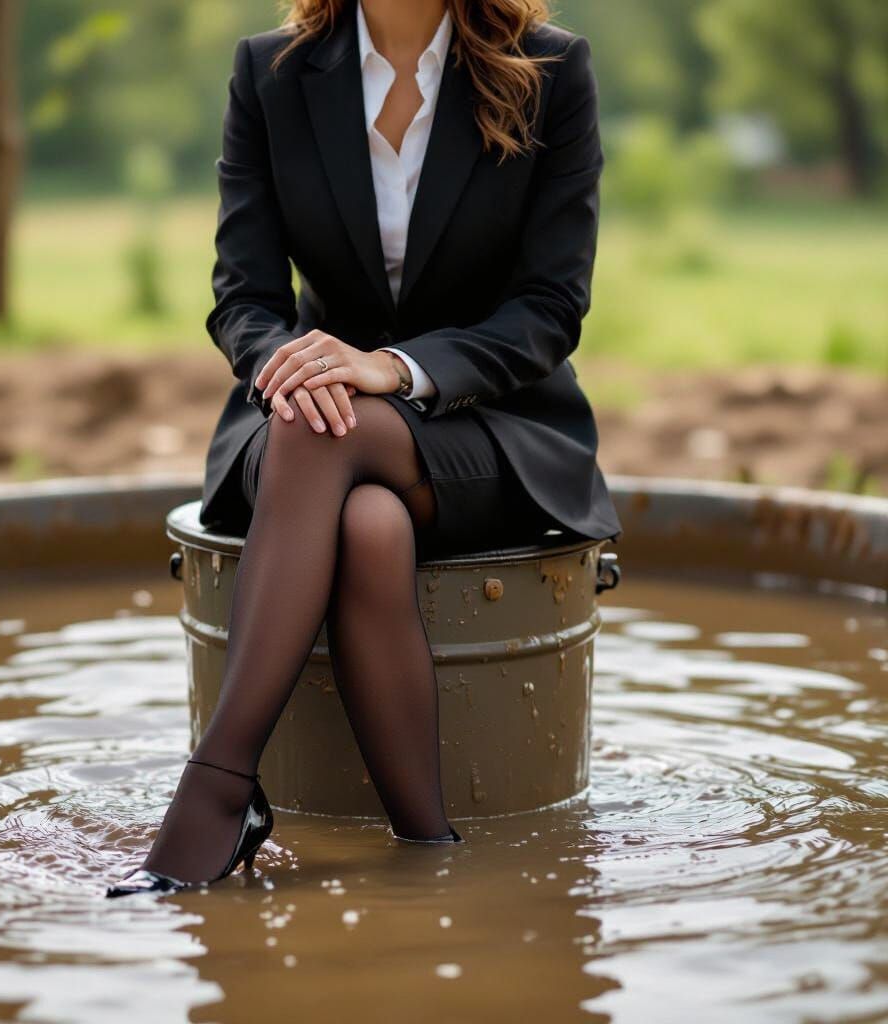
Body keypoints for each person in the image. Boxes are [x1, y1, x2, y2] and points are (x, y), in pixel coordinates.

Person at [105, 0, 622, 898]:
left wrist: (396, 367)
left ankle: (219, 784)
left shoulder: (549, 70)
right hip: (309, 424)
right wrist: (293, 368)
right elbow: (244, 299)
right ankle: (429, 853)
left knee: (324, 437)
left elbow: (550, 307)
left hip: (489, 425)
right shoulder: (270, 72)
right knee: (369, 522)